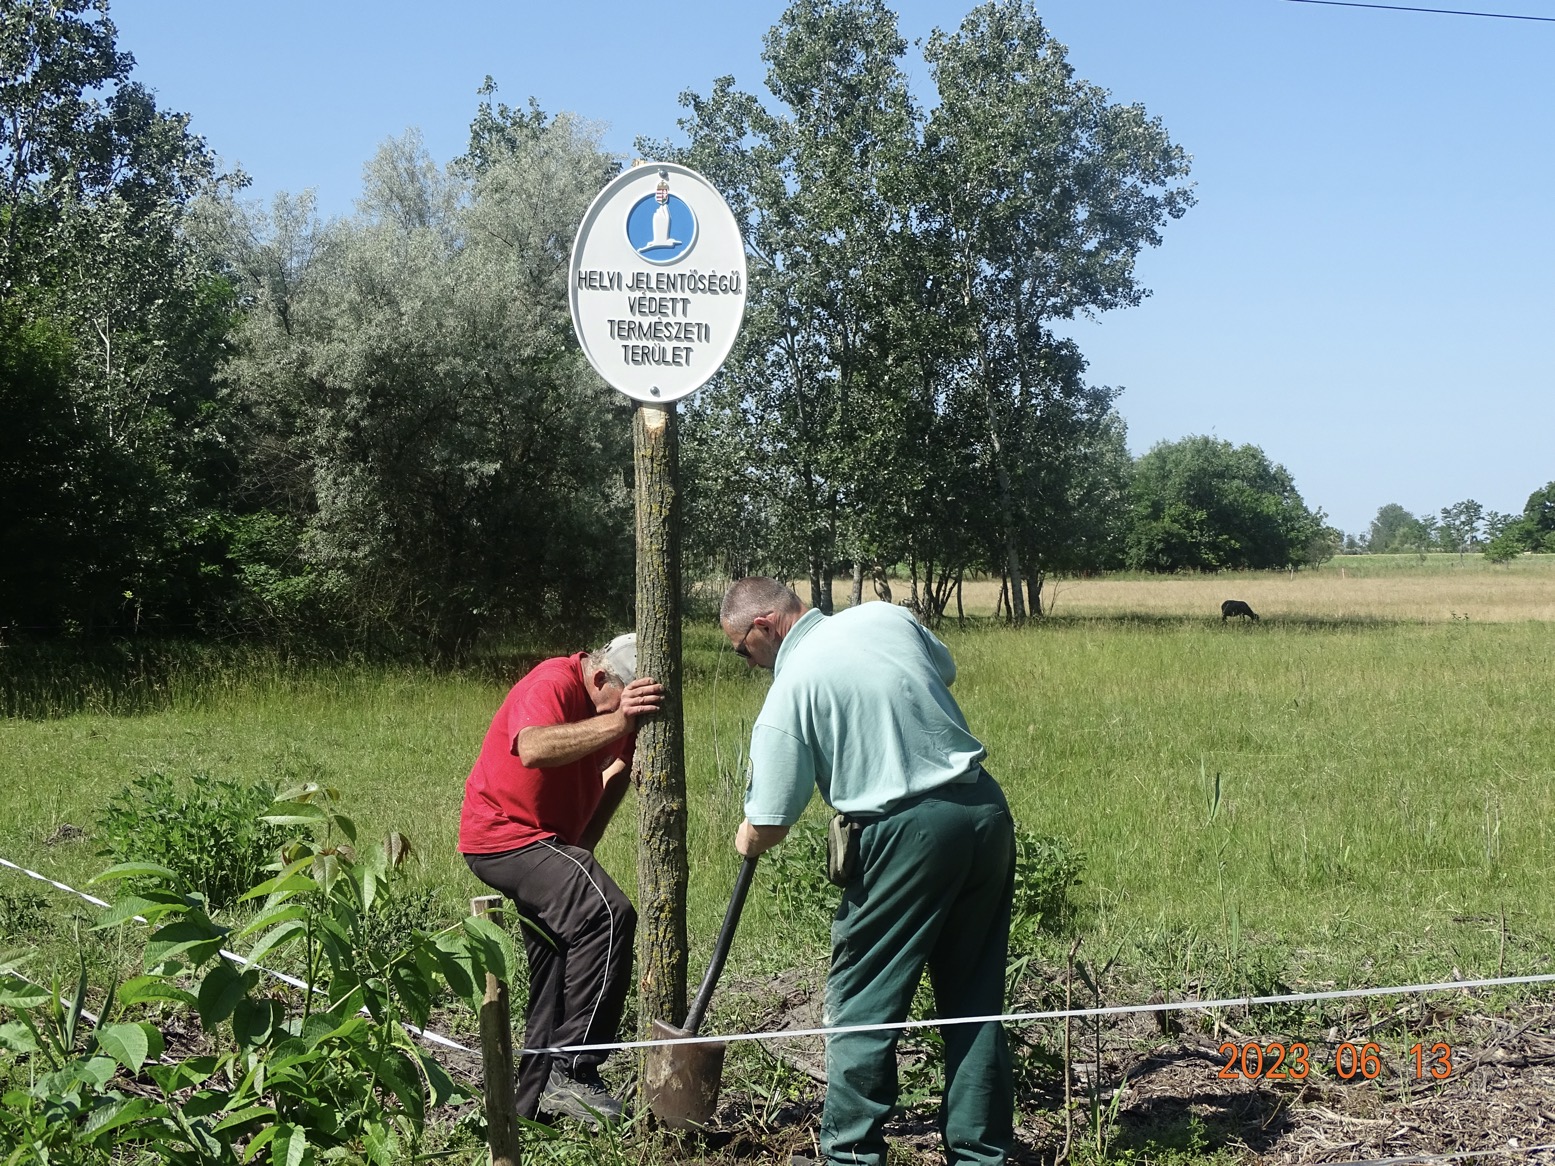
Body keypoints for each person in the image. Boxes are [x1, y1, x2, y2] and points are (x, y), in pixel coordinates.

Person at [721, 578, 1016, 1166]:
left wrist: (743, 837)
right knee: (974, 996)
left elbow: (771, 822)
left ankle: (850, 1157)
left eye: (741, 649)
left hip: (905, 833)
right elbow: (944, 670)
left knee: (863, 1003)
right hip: (983, 814)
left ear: (763, 627)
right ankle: (981, 1155)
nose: (747, 662)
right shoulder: (885, 617)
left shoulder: (791, 688)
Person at [458, 632, 663, 1125]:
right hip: (504, 837)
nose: (627, 720)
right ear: (598, 677)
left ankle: (527, 1112)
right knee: (607, 914)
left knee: (555, 969)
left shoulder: (620, 708)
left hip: (547, 843)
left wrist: (582, 846)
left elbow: (615, 773)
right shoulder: (552, 681)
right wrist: (619, 719)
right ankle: (574, 1070)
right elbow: (531, 747)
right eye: (622, 703)